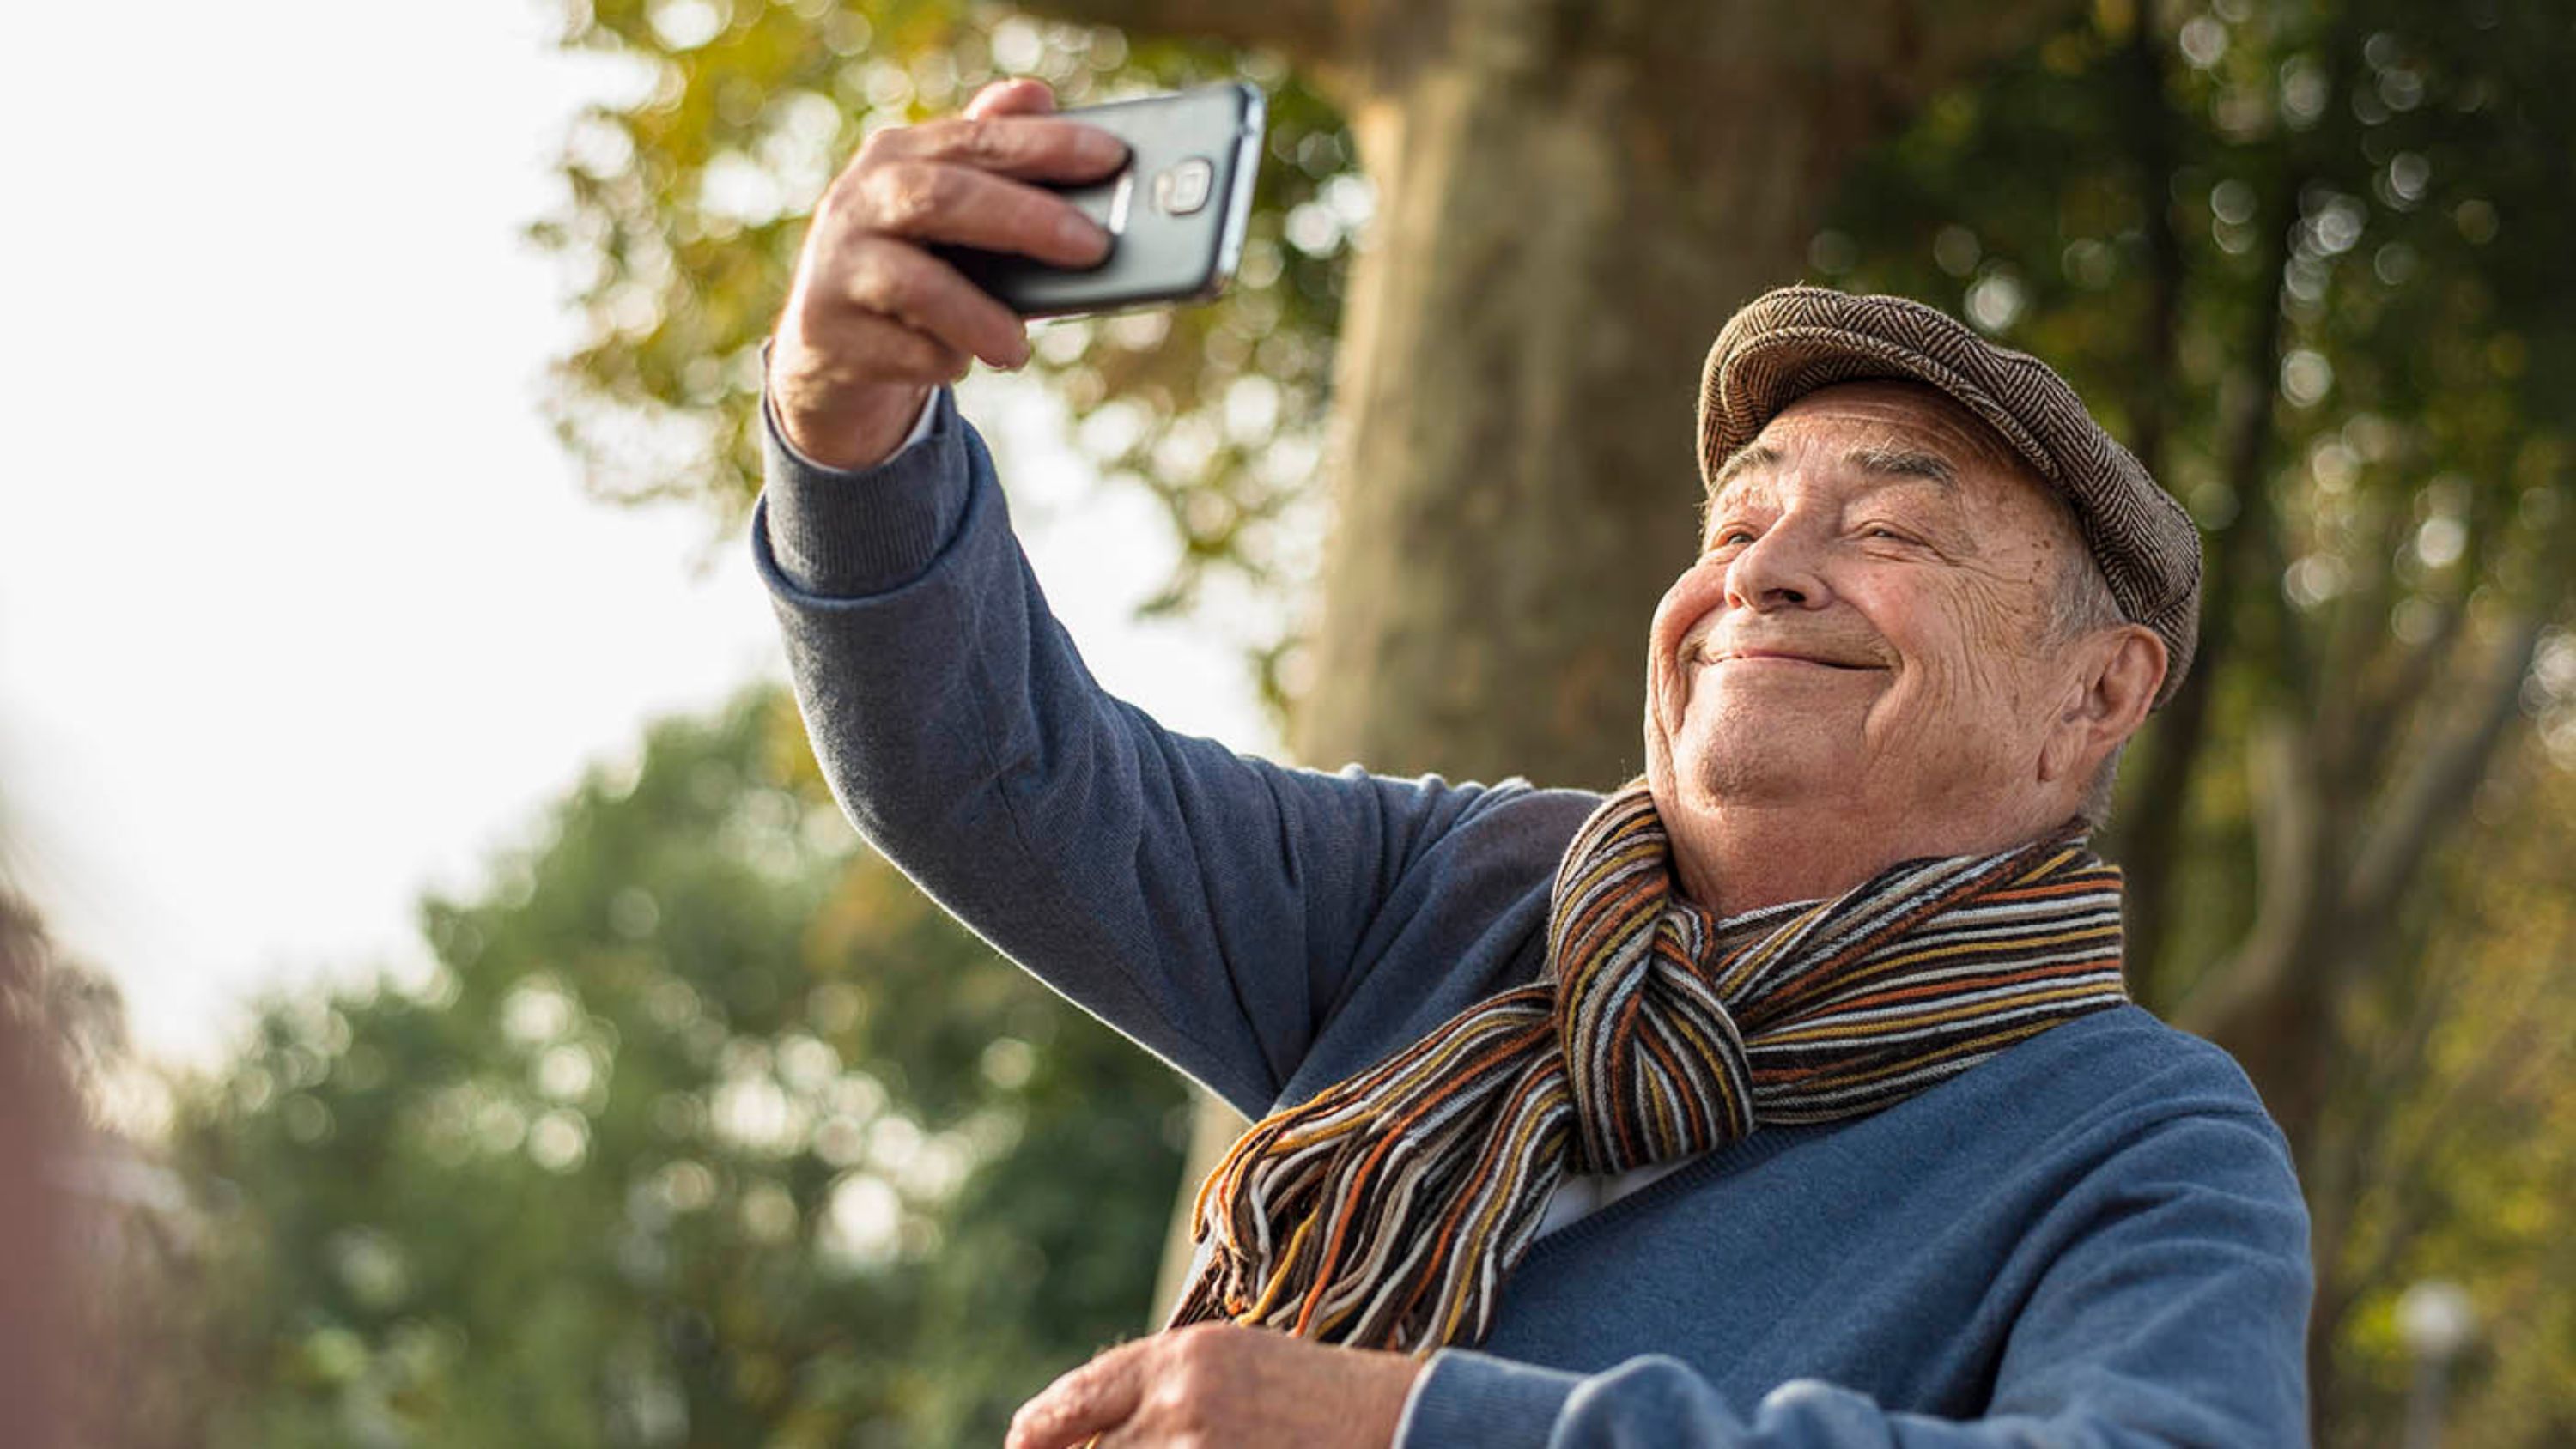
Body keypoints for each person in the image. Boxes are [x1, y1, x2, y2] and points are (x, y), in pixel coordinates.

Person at [756, 77, 2312, 1449]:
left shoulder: (2150, 1140)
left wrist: (1413, 1428)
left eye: (1891, 530)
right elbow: (998, 781)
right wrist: (850, 432)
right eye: (1736, 521)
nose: (1765, 573)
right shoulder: (1458, 887)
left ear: (2098, 695)